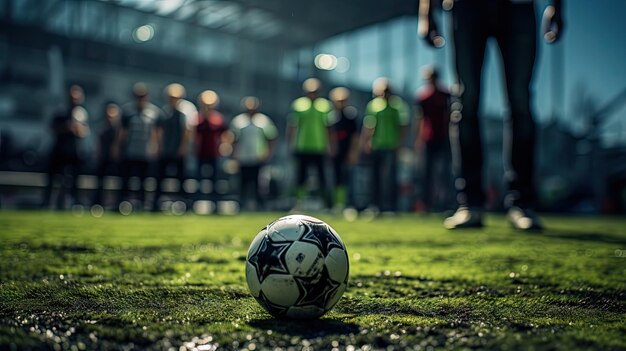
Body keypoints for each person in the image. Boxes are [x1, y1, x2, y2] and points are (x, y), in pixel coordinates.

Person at [418, 0, 564, 230]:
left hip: (518, 5)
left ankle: (522, 203)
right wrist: (425, 11)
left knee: (520, 102)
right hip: (466, 8)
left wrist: (557, 5)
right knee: (466, 101)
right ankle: (469, 203)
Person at [361, 78, 409, 213]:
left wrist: (399, 143)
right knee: (374, 177)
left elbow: (403, 126)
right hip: (376, 146)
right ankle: (375, 205)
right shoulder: (373, 105)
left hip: (391, 147)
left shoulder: (398, 106)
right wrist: (366, 142)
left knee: (390, 178)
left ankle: (391, 206)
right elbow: (369, 125)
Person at [114, 82, 164, 211]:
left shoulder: (154, 112)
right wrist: (117, 147)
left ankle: (141, 205)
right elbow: (122, 132)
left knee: (144, 181)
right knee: (126, 180)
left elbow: (157, 132)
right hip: (130, 151)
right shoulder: (127, 111)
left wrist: (156, 147)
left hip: (145, 153)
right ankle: (122, 204)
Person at [288, 78, 334, 210]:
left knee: (322, 177)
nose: (312, 93)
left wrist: (331, 146)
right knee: (300, 177)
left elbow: (329, 128)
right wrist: (291, 143)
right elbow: (292, 126)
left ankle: (326, 204)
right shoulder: (298, 105)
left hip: (320, 147)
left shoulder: (325, 105)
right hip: (302, 147)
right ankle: (298, 203)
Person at [42, 84, 90, 209]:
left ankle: (70, 203)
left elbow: (84, 131)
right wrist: (67, 127)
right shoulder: (60, 111)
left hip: (75, 152)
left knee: (73, 180)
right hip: (60, 149)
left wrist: (78, 129)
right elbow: (52, 128)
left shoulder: (82, 113)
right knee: (53, 178)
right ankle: (47, 203)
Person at [229, 96, 278, 211]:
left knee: (259, 184)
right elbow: (232, 138)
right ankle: (241, 206)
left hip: (258, 157)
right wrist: (233, 154)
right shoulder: (238, 121)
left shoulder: (264, 121)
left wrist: (268, 153)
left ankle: (259, 206)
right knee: (242, 183)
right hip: (242, 157)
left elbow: (272, 138)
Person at [414, 65, 452, 212]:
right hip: (428, 139)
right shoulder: (423, 97)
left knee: (444, 173)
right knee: (426, 173)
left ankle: (444, 203)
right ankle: (426, 204)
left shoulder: (446, 94)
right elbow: (420, 119)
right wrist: (418, 139)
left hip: (444, 138)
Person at [152, 83, 190, 211]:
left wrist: (183, 148)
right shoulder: (163, 113)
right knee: (159, 178)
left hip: (178, 152)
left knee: (181, 179)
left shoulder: (183, 115)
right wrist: (158, 146)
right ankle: (156, 204)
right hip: (165, 151)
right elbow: (158, 131)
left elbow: (186, 132)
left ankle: (182, 204)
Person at [329, 87, 359, 211]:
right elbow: (329, 134)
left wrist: (353, 152)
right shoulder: (331, 117)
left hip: (348, 152)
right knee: (336, 178)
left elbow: (355, 136)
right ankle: (338, 203)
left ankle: (349, 203)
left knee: (349, 178)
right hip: (336, 152)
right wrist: (331, 149)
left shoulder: (351, 116)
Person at [194, 90, 227, 203]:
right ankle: (196, 203)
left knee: (215, 180)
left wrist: (224, 146)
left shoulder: (218, 119)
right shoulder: (197, 118)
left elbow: (224, 134)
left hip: (214, 154)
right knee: (198, 179)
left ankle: (215, 204)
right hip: (200, 153)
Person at [92, 101, 120, 207]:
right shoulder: (102, 129)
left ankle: (116, 203)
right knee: (100, 182)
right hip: (103, 159)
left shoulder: (119, 130)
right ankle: (97, 203)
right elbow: (98, 145)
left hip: (115, 160)